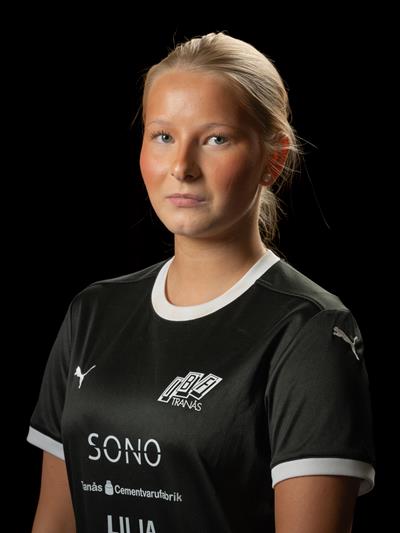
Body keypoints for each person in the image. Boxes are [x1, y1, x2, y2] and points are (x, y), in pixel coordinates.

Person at [27, 32, 375, 533]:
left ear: (273, 159)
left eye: (216, 139)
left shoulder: (311, 332)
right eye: (163, 136)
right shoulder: (92, 311)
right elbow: (55, 522)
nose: (182, 168)